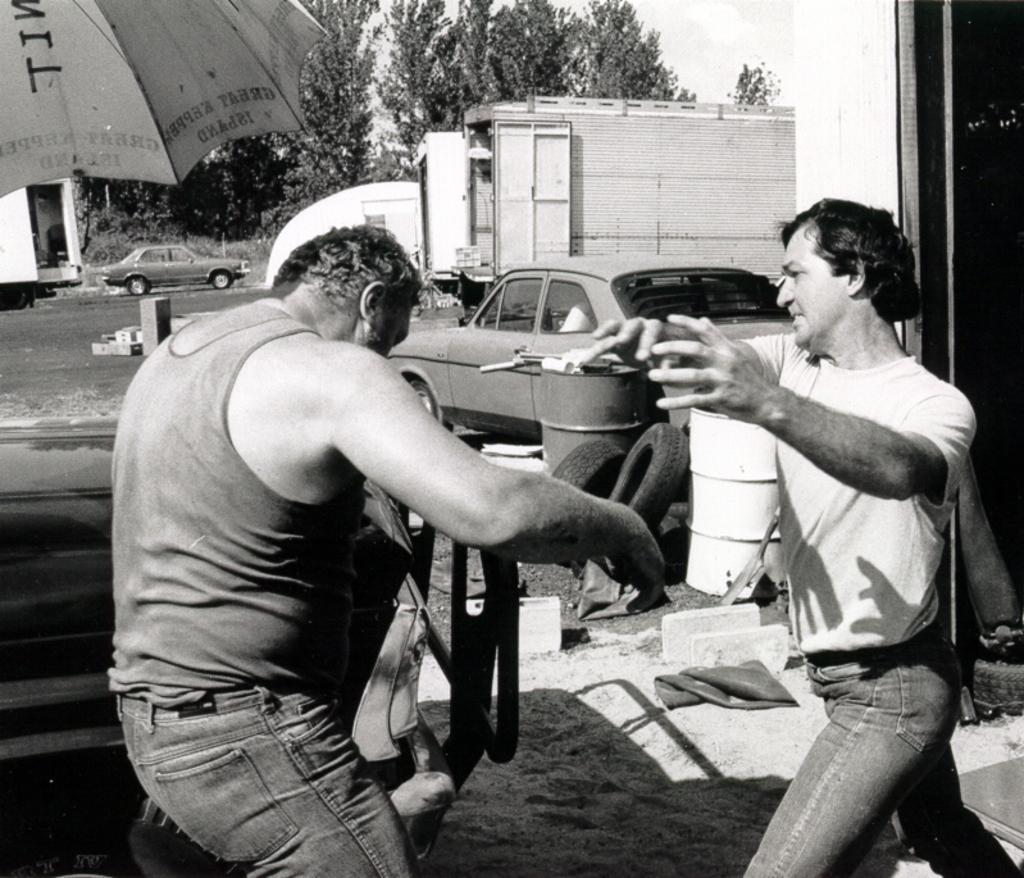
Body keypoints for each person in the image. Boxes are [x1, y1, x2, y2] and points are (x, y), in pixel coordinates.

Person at [109, 225, 664, 878]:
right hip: (250, 730)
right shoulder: (327, 369)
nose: (386, 355)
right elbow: (495, 511)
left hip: (155, 720)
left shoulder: (186, 350)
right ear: (371, 303)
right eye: (390, 338)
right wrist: (624, 526)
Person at [582, 199, 1018, 878]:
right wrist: (648, 338)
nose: (781, 293)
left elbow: (899, 468)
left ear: (856, 277)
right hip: (852, 679)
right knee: (943, 832)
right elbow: (721, 356)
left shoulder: (933, 402)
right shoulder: (794, 359)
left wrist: (770, 405)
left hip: (892, 691)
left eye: (794, 273)